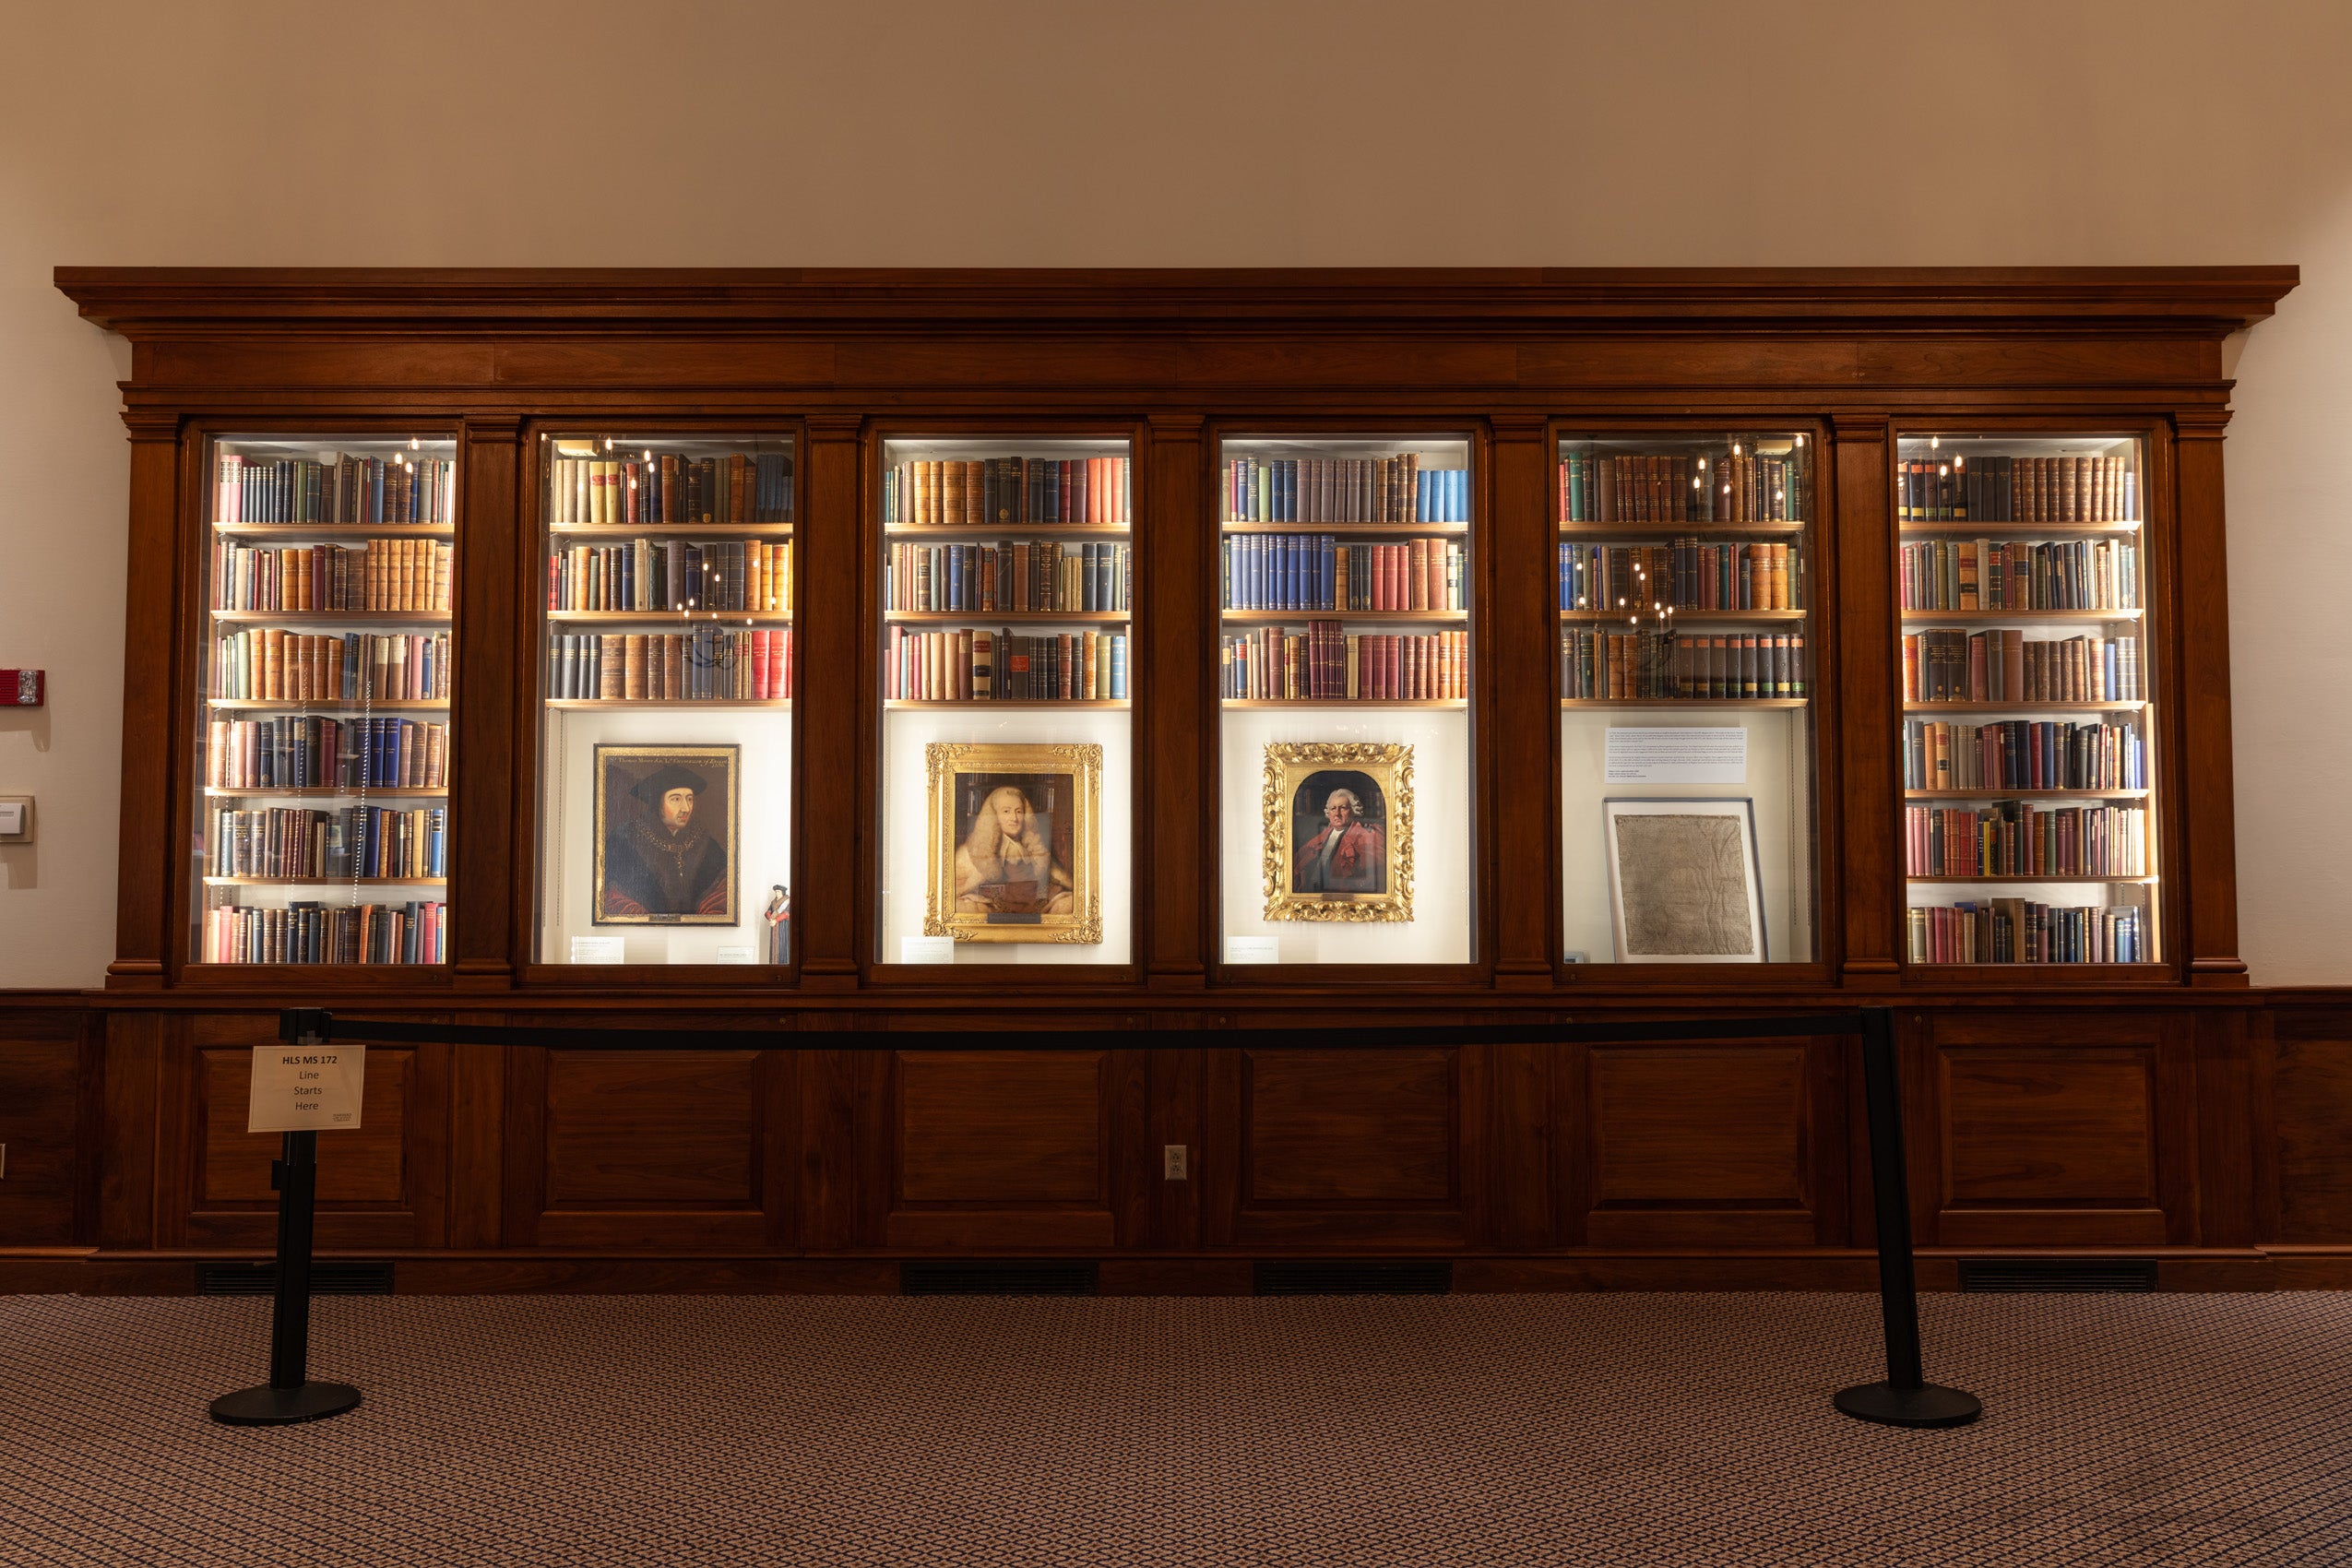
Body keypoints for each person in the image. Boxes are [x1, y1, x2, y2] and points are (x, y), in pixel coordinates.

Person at [601, 763, 728, 918]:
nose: (686, 808)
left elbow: (723, 891)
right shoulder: (624, 839)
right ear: (657, 802)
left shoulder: (704, 842)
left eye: (689, 799)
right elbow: (611, 895)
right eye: (675, 799)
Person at [955, 784, 1073, 916]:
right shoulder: (974, 850)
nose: (1014, 818)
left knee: (1069, 904)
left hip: (1036, 904)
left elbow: (1058, 879)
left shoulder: (1035, 847)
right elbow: (957, 889)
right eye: (1006, 811)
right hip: (994, 906)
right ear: (994, 816)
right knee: (964, 908)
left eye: (1019, 811)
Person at [1294, 785, 1384, 894]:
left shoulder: (1366, 836)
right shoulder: (1322, 835)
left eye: (1343, 808)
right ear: (1328, 812)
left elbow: (1371, 875)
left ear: (1354, 810)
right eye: (1333, 809)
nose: (1337, 813)